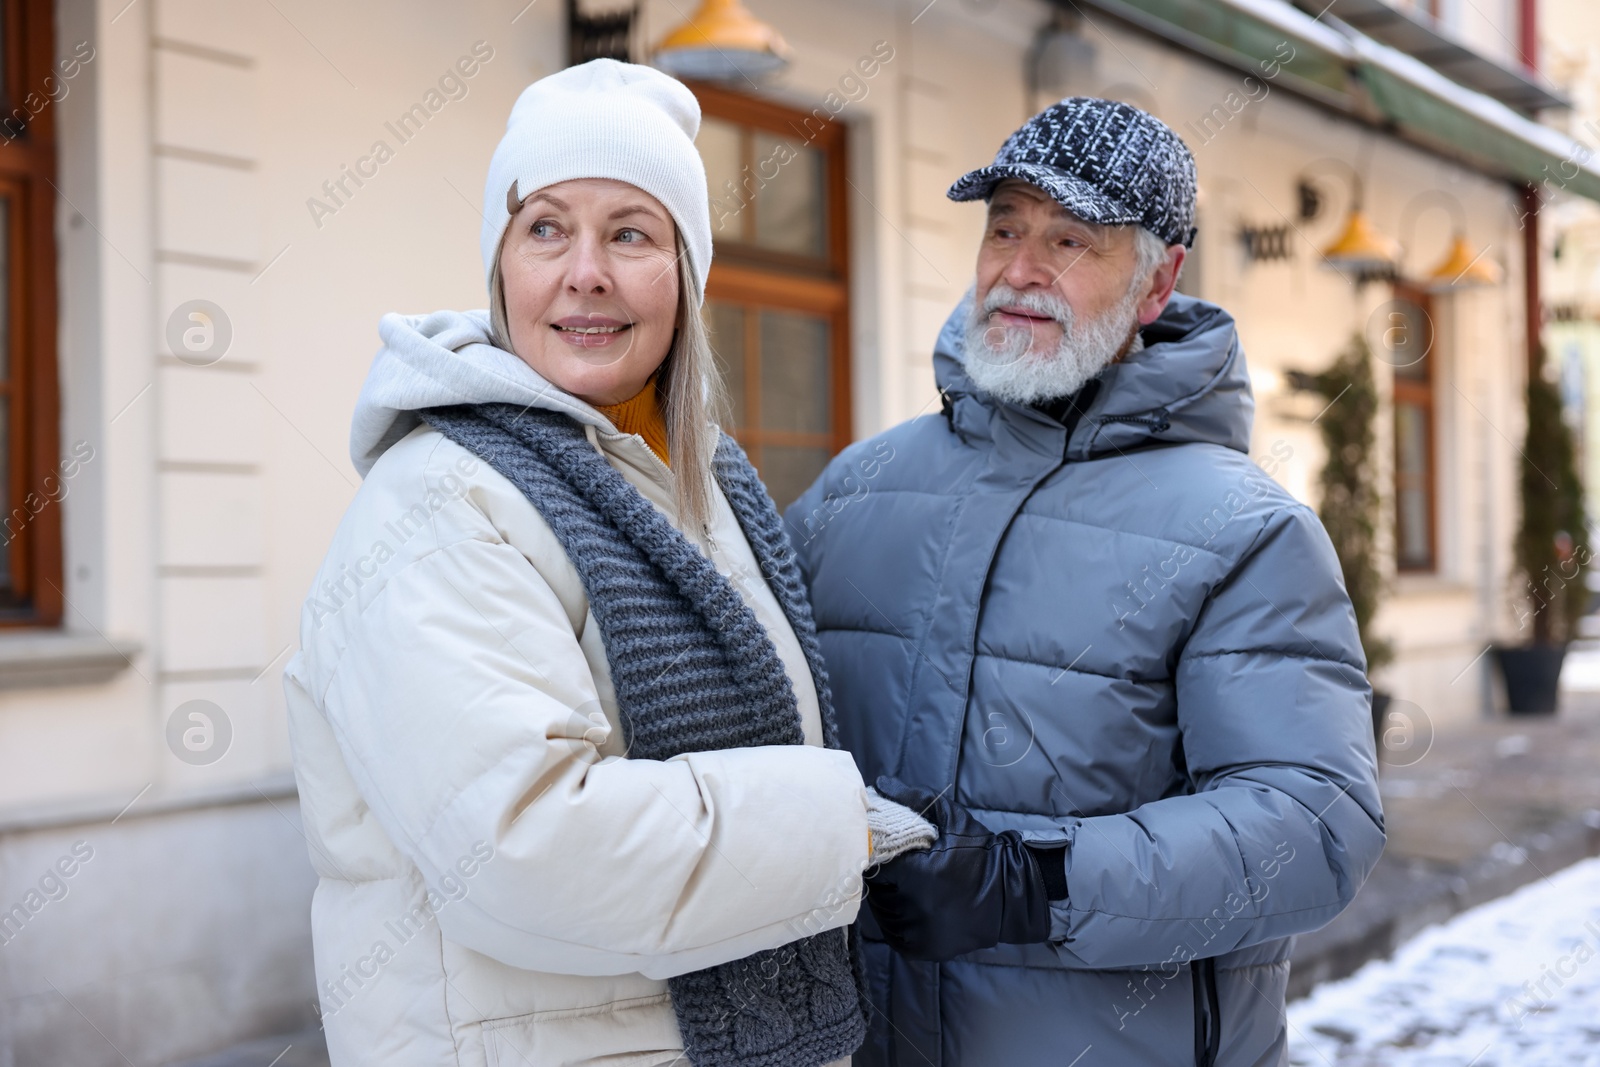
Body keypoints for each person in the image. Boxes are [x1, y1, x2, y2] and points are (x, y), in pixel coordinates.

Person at [281, 59, 943, 1067]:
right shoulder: (438, 504)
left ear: (684, 274)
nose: (584, 270)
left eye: (630, 232)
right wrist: (837, 825)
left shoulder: (705, 491)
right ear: (502, 267)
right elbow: (523, 848)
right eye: (545, 227)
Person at [787, 97, 1386, 1066]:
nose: (1020, 269)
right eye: (1004, 229)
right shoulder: (854, 489)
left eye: (1069, 239)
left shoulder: (1246, 531)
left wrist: (1035, 880)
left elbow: (1312, 823)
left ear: (1157, 284)